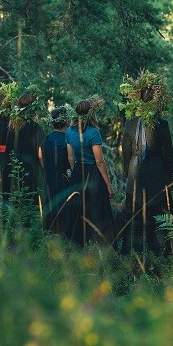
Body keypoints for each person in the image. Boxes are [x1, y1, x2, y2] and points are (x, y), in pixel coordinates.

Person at [118, 71, 173, 258]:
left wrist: (127, 173)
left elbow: (125, 152)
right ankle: (162, 256)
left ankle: (133, 256)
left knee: (135, 218)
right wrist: (171, 177)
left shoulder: (130, 123)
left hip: (135, 175)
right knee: (161, 220)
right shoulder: (161, 124)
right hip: (158, 177)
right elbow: (168, 153)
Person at [66, 98, 114, 246]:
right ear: (91, 114)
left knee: (79, 210)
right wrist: (108, 185)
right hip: (92, 173)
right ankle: (99, 245)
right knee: (96, 210)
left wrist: (75, 174)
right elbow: (99, 161)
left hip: (77, 173)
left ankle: (78, 245)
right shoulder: (94, 133)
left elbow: (70, 157)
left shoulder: (69, 131)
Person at [7, 92, 44, 213]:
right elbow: (40, 154)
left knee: (15, 202)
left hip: (14, 170)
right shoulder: (36, 128)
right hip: (31, 171)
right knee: (31, 201)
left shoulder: (11, 127)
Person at [41, 106, 75, 235]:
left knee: (50, 210)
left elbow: (41, 157)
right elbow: (71, 160)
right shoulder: (67, 139)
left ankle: (50, 237)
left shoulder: (47, 139)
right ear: (66, 121)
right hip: (63, 180)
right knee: (63, 210)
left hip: (48, 180)